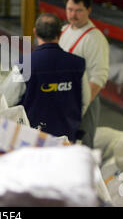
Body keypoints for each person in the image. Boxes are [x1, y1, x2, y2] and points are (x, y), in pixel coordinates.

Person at [21, 13, 91, 142]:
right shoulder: (78, 64)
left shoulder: (23, 64)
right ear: (60, 34)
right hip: (67, 138)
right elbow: (85, 100)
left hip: (33, 139)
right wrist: (71, 120)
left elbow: (8, 99)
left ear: (35, 32)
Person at [59, 0, 109, 148]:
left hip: (83, 104)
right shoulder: (64, 30)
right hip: (64, 98)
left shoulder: (94, 39)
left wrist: (80, 108)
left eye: (79, 10)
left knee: (82, 148)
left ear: (89, 10)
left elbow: (99, 77)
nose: (73, 14)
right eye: (70, 9)